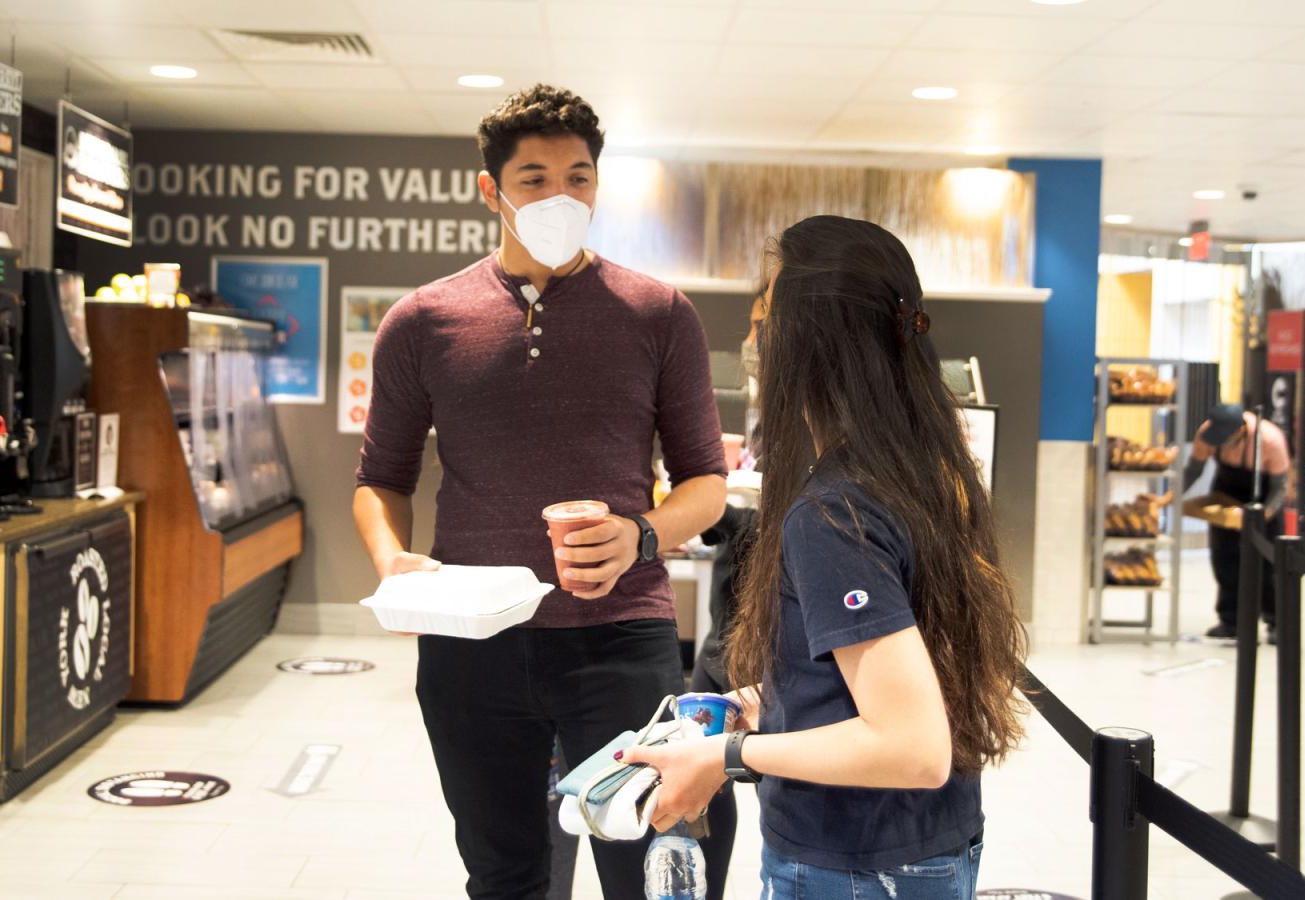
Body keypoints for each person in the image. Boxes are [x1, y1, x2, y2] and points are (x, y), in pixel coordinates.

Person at [352, 84, 727, 900]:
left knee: (650, 867)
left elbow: (706, 483)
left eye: (579, 177)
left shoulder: (659, 314)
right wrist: (393, 562)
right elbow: (380, 480)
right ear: (491, 191)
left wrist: (642, 534)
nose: (561, 196)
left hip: (621, 637)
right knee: (505, 873)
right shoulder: (423, 322)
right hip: (471, 645)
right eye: (534, 179)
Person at [624, 215, 1027, 900]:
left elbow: (912, 747)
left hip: (855, 866)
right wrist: (775, 706)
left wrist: (725, 756)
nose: (753, 341)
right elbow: (898, 674)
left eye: (765, 318)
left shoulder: (833, 513)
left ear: (807, 340)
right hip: (929, 842)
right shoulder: (925, 472)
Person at [683, 291, 767, 900]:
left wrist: (727, 517)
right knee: (703, 776)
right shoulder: (769, 408)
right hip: (728, 641)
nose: (752, 338)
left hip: (782, 649)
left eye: (762, 324)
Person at [1184, 403, 1291, 642]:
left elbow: (1279, 487)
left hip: (1263, 497)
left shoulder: (1270, 440)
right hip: (1226, 493)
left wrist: (1263, 515)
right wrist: (1172, 495)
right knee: (1224, 560)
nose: (1220, 442)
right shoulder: (1207, 433)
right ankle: (1231, 621)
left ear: (1241, 429)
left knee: (1268, 565)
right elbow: (1194, 470)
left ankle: (1276, 623)